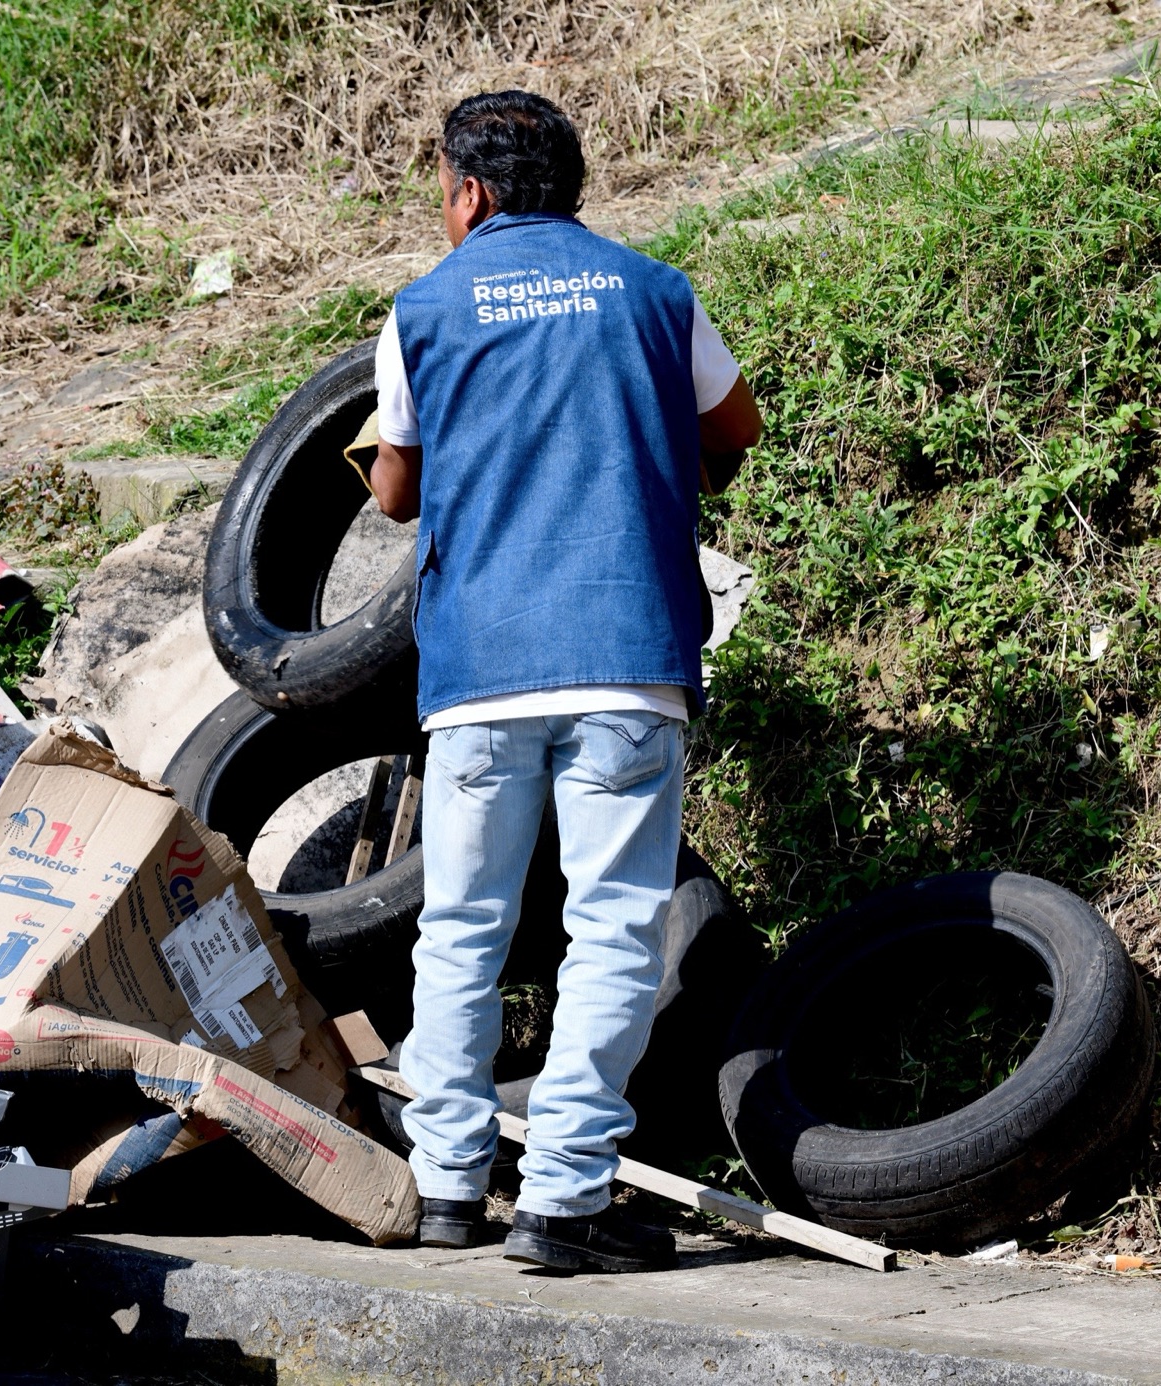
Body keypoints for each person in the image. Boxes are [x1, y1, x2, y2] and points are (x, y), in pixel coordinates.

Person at [368, 89, 762, 1274]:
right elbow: (733, 428)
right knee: (611, 934)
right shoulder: (653, 289)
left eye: (441, 189)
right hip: (625, 659)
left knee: (459, 932)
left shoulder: (423, 309)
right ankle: (561, 1203)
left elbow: (393, 492)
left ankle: (441, 1190)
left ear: (470, 193)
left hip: (480, 671)